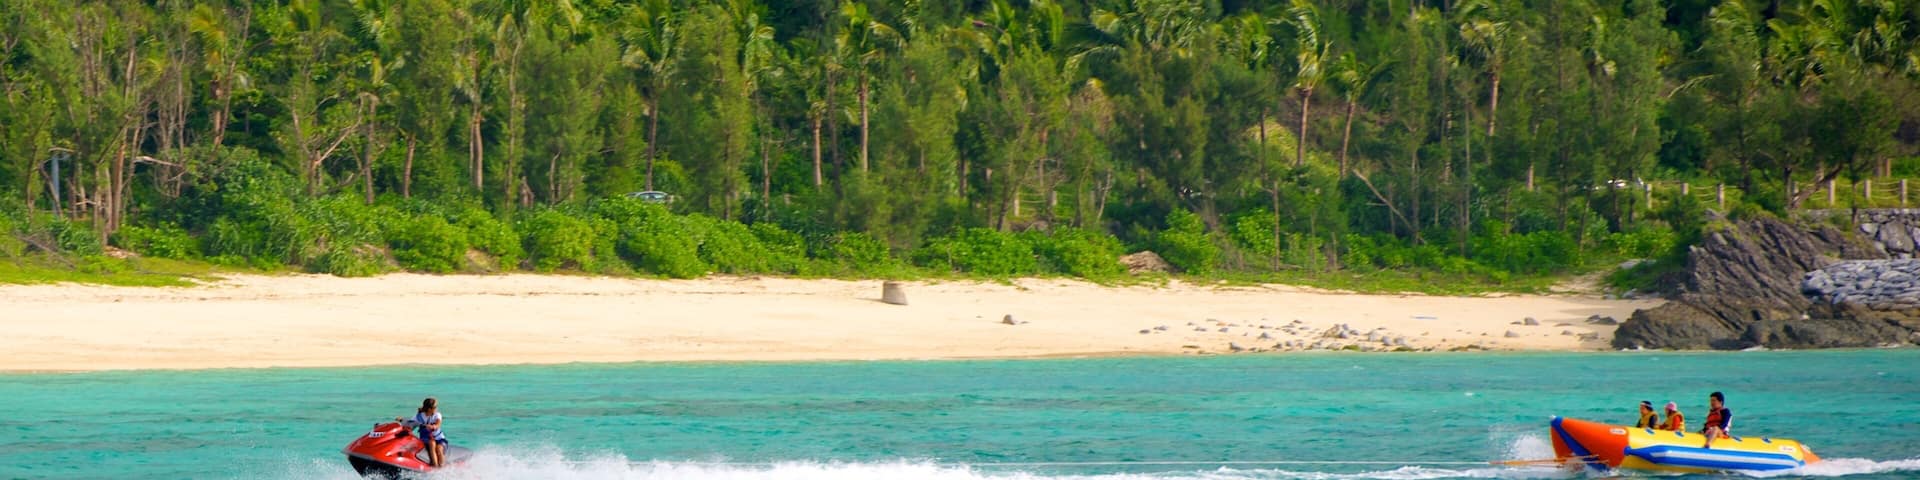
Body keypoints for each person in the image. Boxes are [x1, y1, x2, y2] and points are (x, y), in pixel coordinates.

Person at [397, 397, 448, 467]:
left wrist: (433, 426)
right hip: (425, 439)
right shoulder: (418, 417)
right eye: (435, 407)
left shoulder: (437, 415)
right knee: (432, 443)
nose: (436, 409)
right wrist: (401, 421)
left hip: (439, 439)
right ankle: (435, 465)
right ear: (429, 409)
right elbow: (410, 424)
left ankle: (442, 468)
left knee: (439, 449)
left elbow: (438, 424)